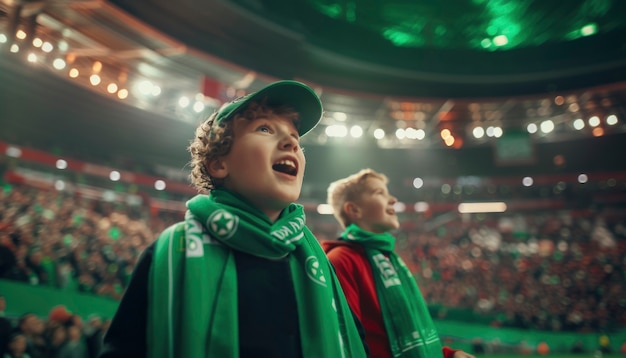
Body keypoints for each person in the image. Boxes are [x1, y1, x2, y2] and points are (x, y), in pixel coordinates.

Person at [99, 80, 367, 357]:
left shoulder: (319, 265)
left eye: (295, 137)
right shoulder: (171, 251)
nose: (291, 143)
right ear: (218, 163)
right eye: (264, 128)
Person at [322, 168, 475, 358]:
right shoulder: (341, 260)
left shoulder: (389, 257)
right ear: (354, 209)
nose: (393, 199)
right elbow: (348, 344)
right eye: (380, 193)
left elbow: (394, 338)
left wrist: (448, 355)